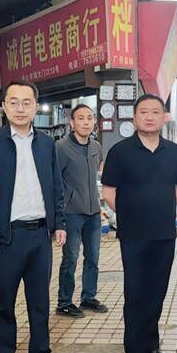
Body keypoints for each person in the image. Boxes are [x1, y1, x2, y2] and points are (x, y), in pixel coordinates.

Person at [0, 80, 67, 353]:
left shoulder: (47, 144)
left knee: (40, 302)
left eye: (27, 102)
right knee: (4, 303)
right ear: (4, 106)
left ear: (36, 107)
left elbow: (56, 187)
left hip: (40, 236)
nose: (20, 108)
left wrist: (60, 223)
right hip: (6, 237)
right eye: (14, 102)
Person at [101, 94, 177, 353]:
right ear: (134, 116)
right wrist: (132, 213)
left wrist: (160, 210)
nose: (149, 117)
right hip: (133, 234)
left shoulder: (174, 152)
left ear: (164, 117)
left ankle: (152, 345)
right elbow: (109, 192)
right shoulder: (120, 151)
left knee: (157, 290)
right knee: (136, 293)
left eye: (155, 112)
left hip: (164, 233)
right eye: (143, 112)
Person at [55, 104, 108, 318]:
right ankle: (64, 302)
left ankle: (88, 297)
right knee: (71, 257)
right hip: (71, 213)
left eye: (89, 118)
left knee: (93, 257)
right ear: (72, 123)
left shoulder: (96, 147)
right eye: (81, 118)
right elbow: (55, 181)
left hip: (93, 213)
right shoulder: (61, 148)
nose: (86, 122)